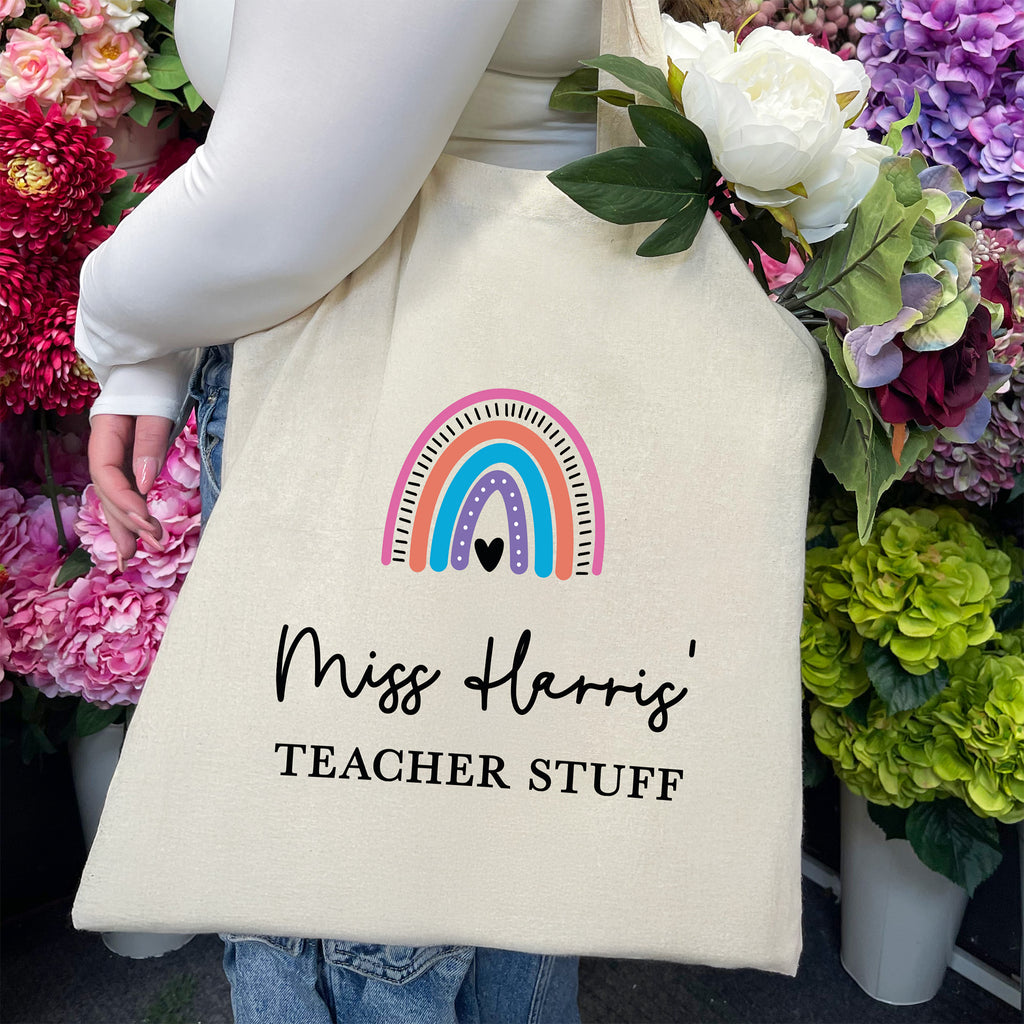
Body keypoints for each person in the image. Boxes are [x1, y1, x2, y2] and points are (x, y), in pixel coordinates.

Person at [76, 1, 720, 1020]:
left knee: (373, 882)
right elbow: (317, 116)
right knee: (490, 830)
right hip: (496, 355)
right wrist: (156, 340)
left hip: (388, 386)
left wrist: (115, 313)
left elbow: (281, 205)